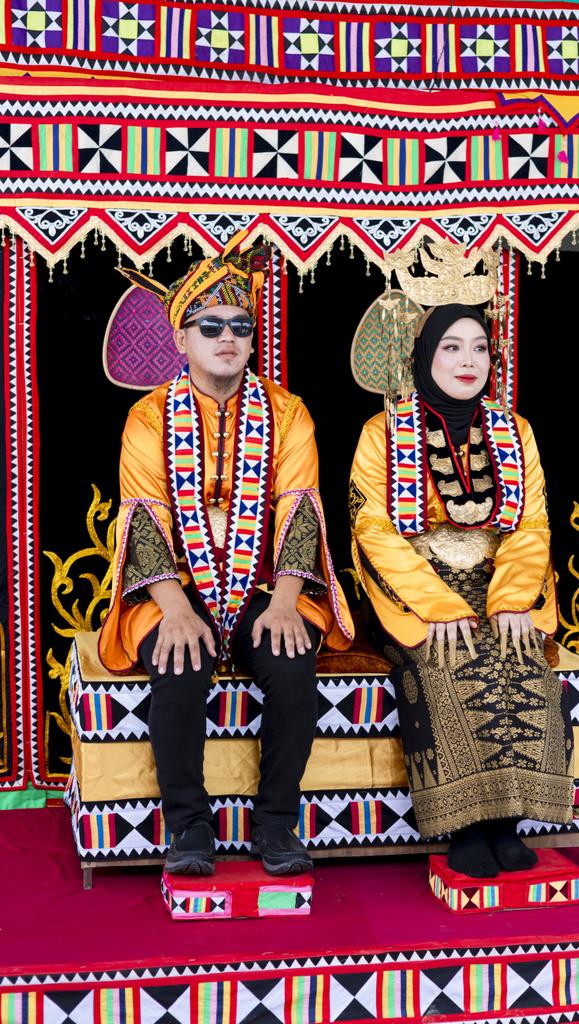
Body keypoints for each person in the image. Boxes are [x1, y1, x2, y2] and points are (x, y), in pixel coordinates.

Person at [99, 231, 353, 877]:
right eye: (208, 325)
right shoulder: (148, 418)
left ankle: (275, 823)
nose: (226, 337)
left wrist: (289, 602)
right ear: (181, 338)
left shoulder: (289, 413)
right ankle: (188, 828)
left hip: (266, 586)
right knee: (179, 670)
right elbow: (145, 518)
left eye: (239, 324)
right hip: (173, 587)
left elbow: (299, 507)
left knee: (295, 668)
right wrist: (176, 611)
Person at [349, 302, 573, 878]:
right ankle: (466, 827)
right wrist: (438, 605)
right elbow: (371, 528)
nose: (467, 360)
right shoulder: (382, 433)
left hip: (498, 581)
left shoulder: (514, 431)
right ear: (424, 358)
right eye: (451, 347)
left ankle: (508, 822)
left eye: (478, 347)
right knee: (449, 661)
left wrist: (513, 599)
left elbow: (533, 523)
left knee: (521, 661)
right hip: (413, 587)